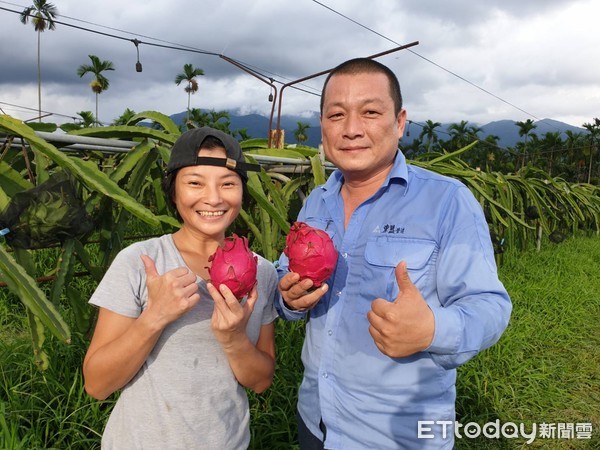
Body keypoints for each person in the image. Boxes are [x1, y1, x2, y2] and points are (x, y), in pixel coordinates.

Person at [276, 58, 512, 449]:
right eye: (336, 115)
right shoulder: (314, 203)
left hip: (398, 435)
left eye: (370, 112)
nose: (352, 129)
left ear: (399, 122)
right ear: (323, 125)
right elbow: (285, 277)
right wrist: (288, 299)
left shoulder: (447, 202)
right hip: (315, 422)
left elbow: (490, 305)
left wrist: (432, 329)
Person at [83, 127, 279, 449]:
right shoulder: (140, 262)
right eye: (195, 183)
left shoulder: (263, 273)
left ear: (242, 192)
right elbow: (97, 384)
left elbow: (260, 381)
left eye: (227, 184)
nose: (213, 198)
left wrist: (233, 339)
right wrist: (154, 317)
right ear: (173, 192)